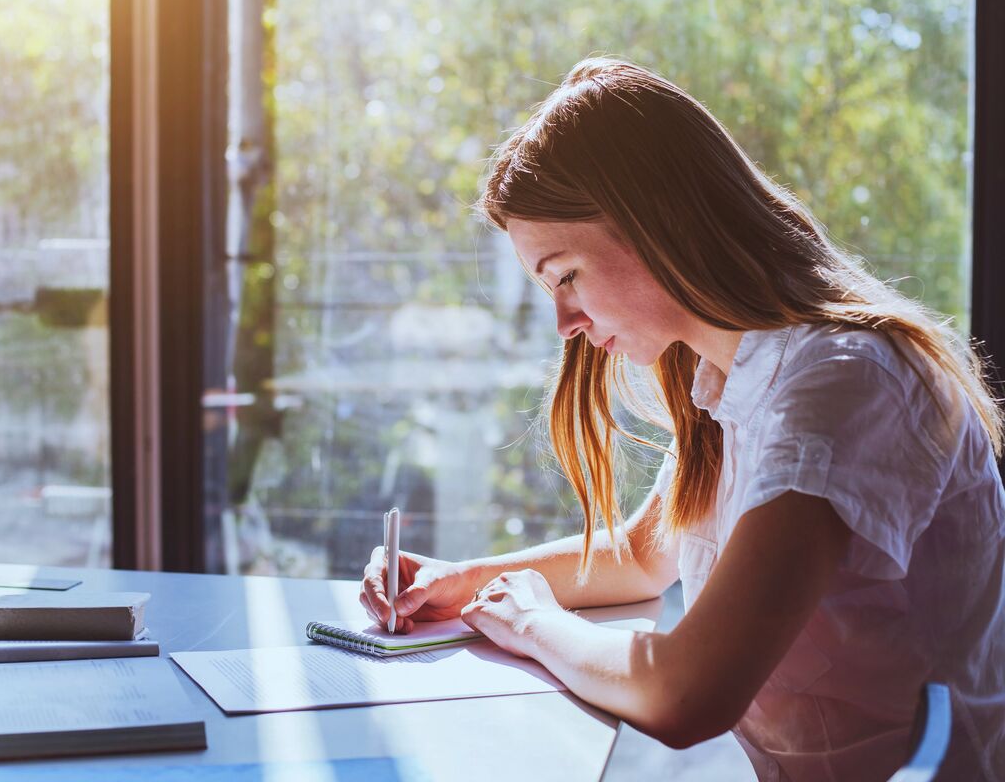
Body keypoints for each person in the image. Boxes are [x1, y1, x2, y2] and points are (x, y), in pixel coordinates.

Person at [359, 58, 1005, 781]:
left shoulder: (843, 384)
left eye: (565, 274)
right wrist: (462, 579)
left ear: (658, 222)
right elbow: (641, 558)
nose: (564, 321)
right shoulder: (730, 381)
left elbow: (684, 694)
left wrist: (530, 622)